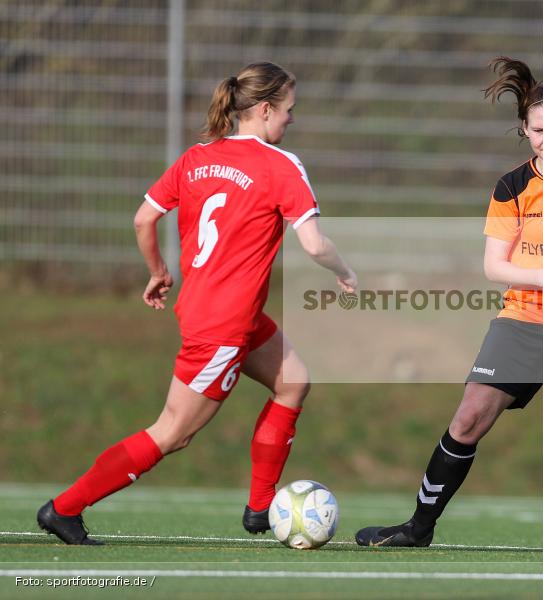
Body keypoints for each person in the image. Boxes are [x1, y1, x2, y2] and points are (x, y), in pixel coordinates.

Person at [36, 62, 357, 545]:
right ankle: (64, 509)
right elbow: (313, 244)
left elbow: (143, 219)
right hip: (223, 326)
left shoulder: (196, 158)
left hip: (215, 310)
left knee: (292, 382)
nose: (292, 118)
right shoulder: (281, 165)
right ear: (264, 109)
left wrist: (158, 272)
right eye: (289, 109)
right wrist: (345, 271)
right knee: (172, 432)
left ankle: (259, 507)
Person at [354, 57, 543, 554]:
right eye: (539, 131)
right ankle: (418, 528)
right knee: (469, 418)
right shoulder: (512, 186)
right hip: (524, 317)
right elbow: (494, 265)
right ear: (525, 130)